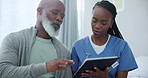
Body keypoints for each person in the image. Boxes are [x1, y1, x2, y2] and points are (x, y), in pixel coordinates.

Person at [0, 0, 74, 78]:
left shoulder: (64, 51)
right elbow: (3, 72)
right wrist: (45, 67)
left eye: (62, 16)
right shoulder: (13, 40)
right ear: (40, 11)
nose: (59, 18)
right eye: (55, 13)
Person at [71, 0, 138, 78]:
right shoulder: (78, 46)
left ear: (111, 23)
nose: (97, 26)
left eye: (103, 23)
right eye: (94, 21)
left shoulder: (122, 47)